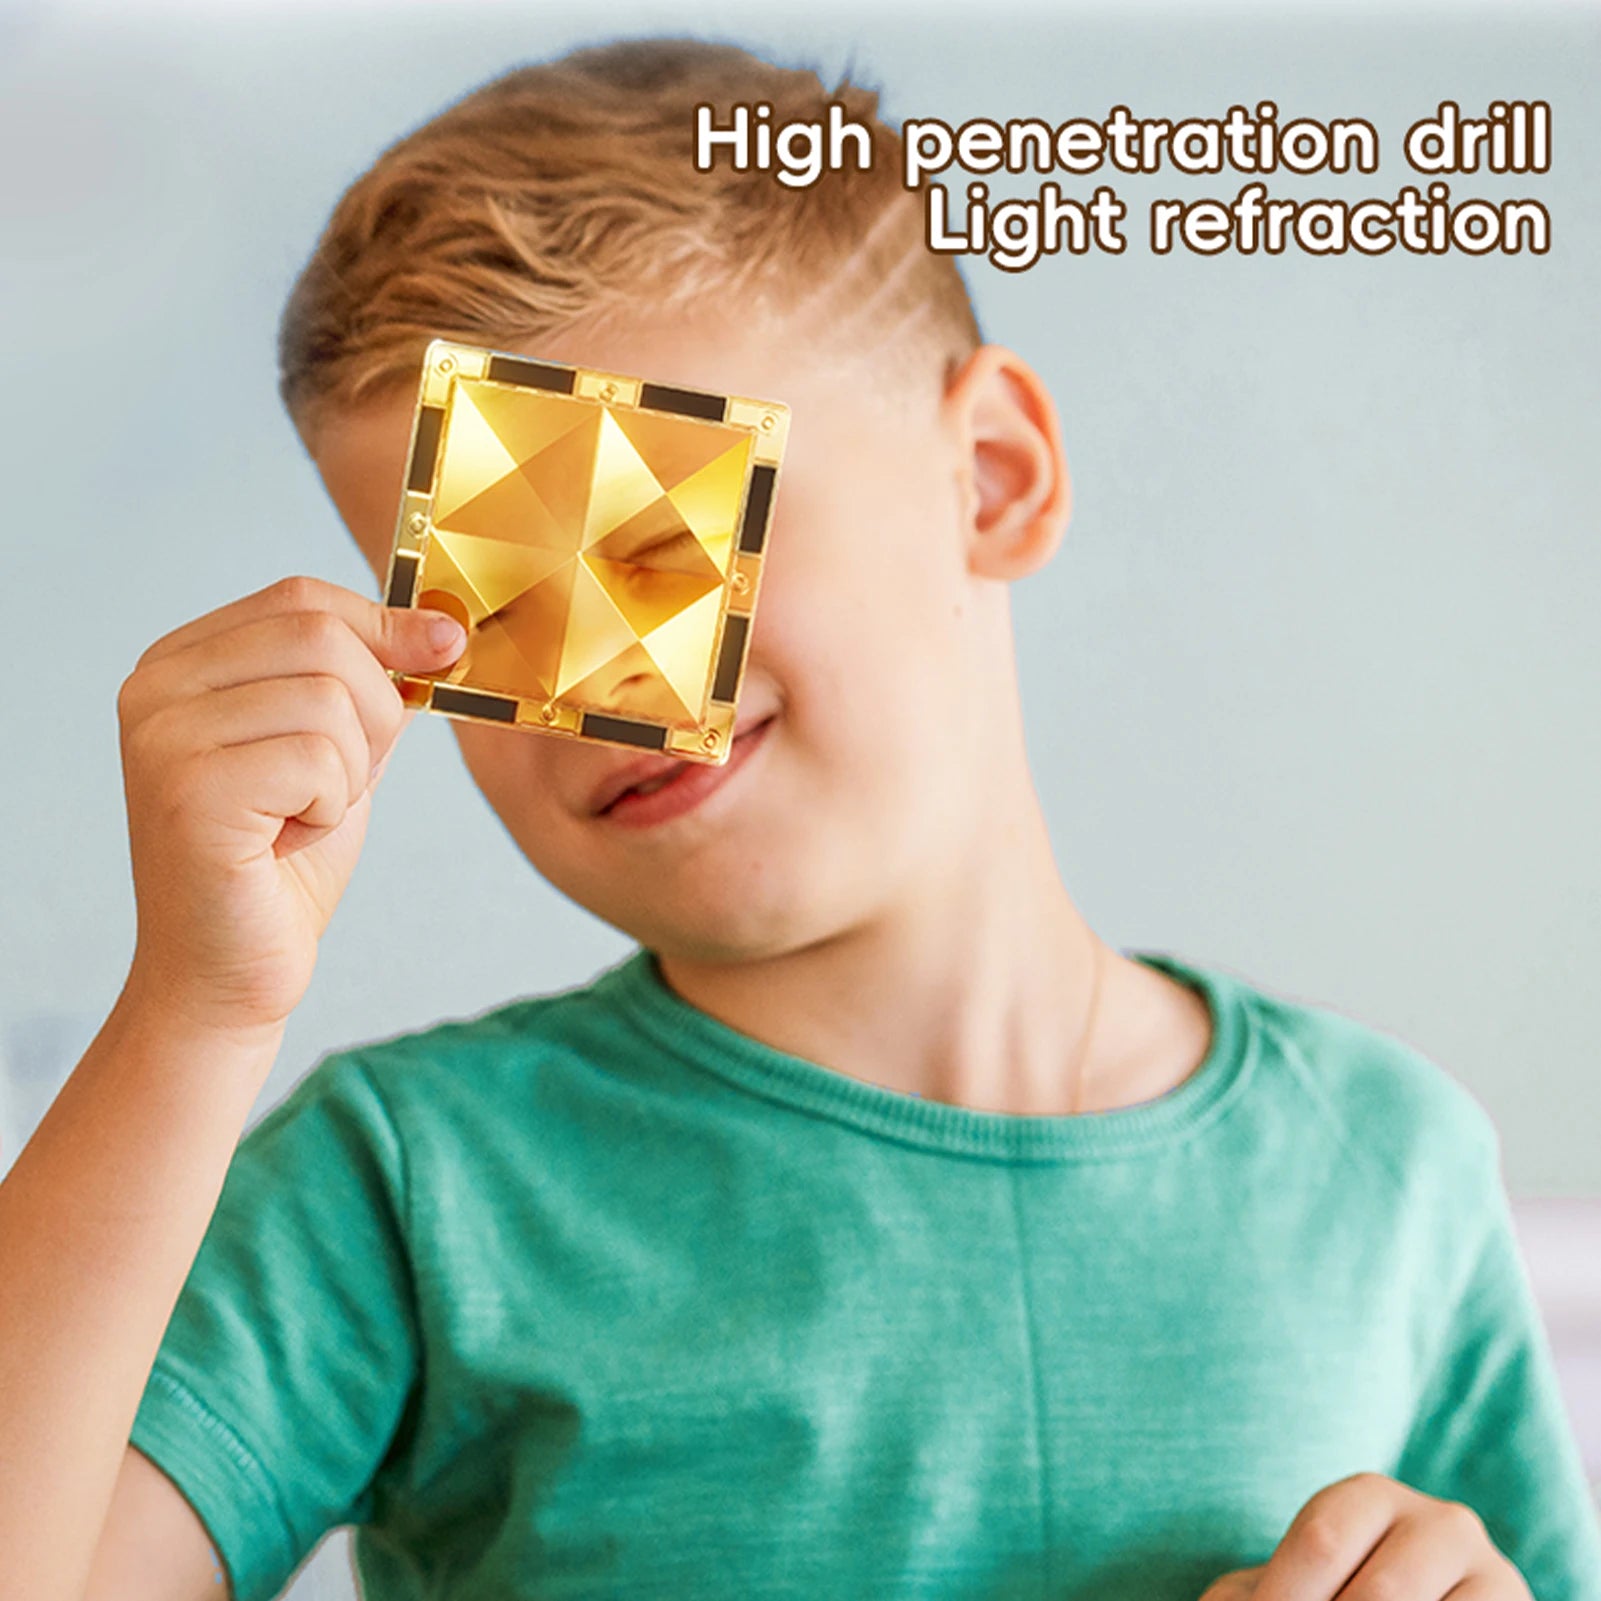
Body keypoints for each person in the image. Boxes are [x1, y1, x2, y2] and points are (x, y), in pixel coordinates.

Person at [1, 35, 1596, 1601]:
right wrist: (193, 1011)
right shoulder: (402, 1187)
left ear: (988, 476)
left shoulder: (1387, 1169)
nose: (607, 695)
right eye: (483, 608)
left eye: (653, 542)